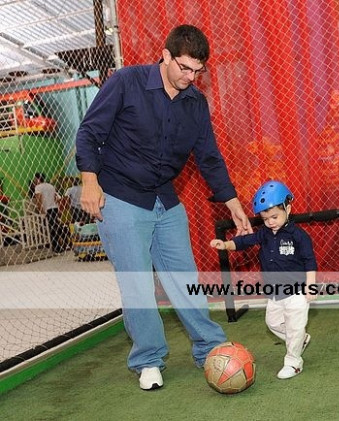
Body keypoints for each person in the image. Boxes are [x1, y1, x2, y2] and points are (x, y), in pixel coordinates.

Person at [75, 24, 251, 391]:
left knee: (185, 280)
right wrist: (89, 181)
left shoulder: (195, 103)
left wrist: (232, 201)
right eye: (184, 68)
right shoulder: (126, 82)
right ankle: (148, 360)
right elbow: (89, 132)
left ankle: (209, 347)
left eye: (198, 71)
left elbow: (209, 157)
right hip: (120, 197)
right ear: (166, 56)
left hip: (165, 200)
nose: (190, 77)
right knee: (138, 286)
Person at [210, 180, 317, 379]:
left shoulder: (299, 236)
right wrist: (225, 245)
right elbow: (244, 241)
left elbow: (310, 261)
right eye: (265, 218)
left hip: (297, 292)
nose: (270, 222)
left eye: (274, 217)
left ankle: (294, 362)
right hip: (275, 293)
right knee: (273, 323)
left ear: (288, 208)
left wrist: (311, 285)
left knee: (294, 327)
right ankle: (299, 340)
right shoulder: (264, 234)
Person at [33, 172, 64, 253]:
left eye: (35, 179)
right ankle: (61, 244)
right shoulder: (51, 186)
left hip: (47, 209)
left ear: (37, 179)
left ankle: (55, 247)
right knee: (55, 227)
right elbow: (55, 198)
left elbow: (39, 199)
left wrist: (41, 210)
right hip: (54, 208)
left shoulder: (38, 187)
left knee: (50, 229)